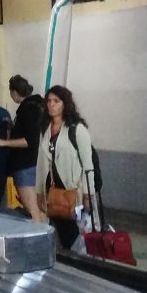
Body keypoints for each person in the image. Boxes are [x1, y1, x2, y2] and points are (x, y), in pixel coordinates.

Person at [34, 86, 98, 251]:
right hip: (52, 188)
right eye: (48, 101)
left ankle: (79, 259)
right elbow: (41, 162)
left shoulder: (77, 130)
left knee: (74, 228)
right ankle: (64, 258)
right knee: (57, 226)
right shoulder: (45, 129)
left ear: (65, 104)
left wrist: (88, 195)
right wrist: (39, 191)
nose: (51, 105)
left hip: (72, 190)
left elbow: (88, 165)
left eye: (56, 101)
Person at [0, 76, 45, 220]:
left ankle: (38, 239)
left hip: (25, 164)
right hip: (36, 163)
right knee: (38, 208)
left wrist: (2, 142)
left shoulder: (28, 108)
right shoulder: (39, 105)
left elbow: (29, 140)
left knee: (32, 209)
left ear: (14, 92)